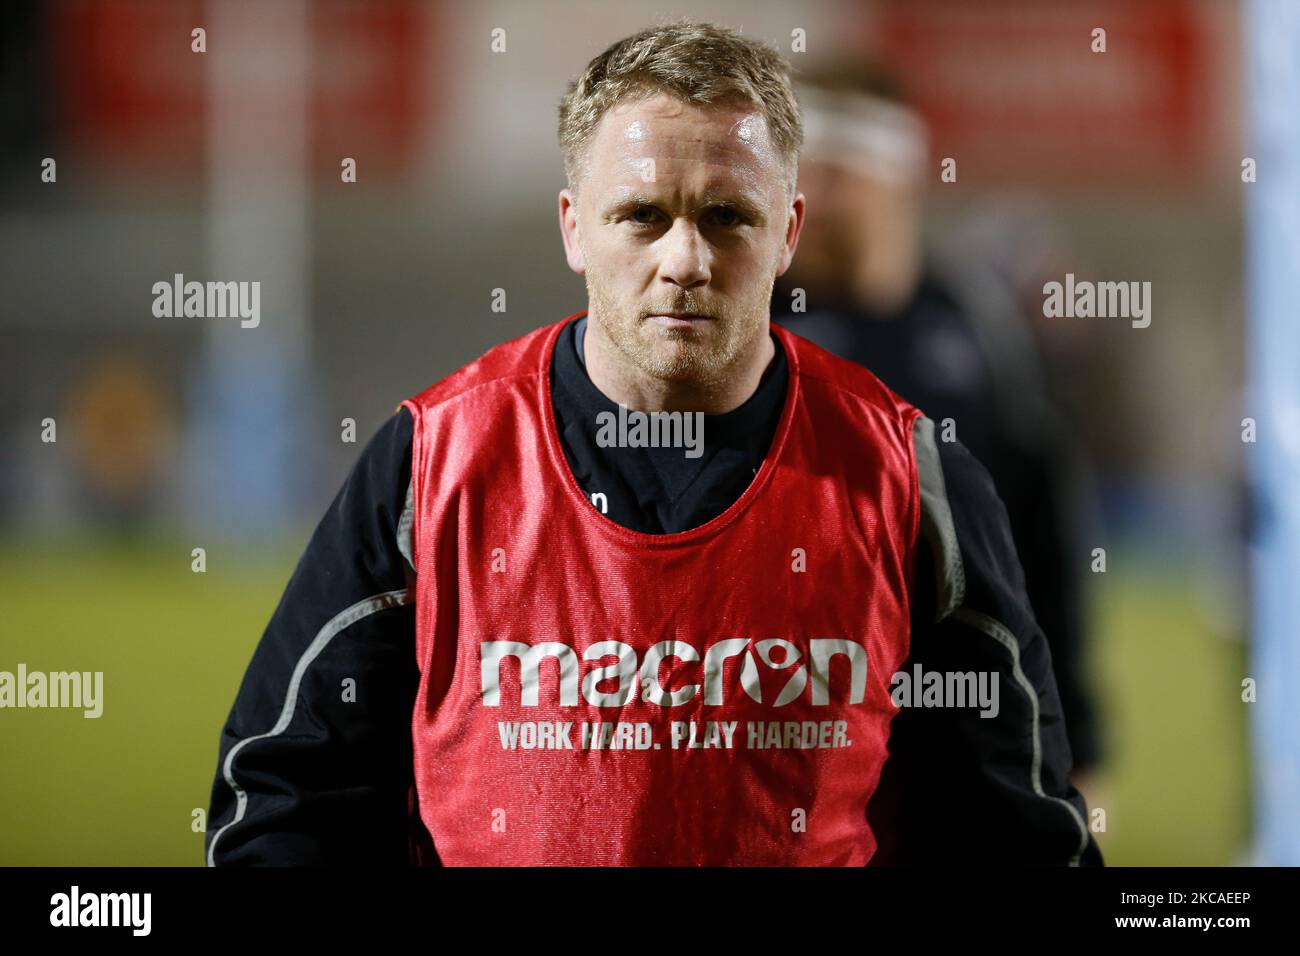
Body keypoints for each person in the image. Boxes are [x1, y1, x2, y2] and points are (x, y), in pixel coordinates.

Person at [206, 19, 1102, 866]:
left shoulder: (907, 474)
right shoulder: (433, 462)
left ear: (787, 230)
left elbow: (1014, 832)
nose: (684, 260)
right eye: (641, 216)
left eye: (726, 217)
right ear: (572, 228)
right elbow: (283, 794)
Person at [773, 66, 1105, 787]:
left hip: (958, 725)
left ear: (897, 175)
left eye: (831, 173)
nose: (808, 199)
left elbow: (1040, 537)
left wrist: (1078, 736)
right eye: (795, 173)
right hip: (793, 722)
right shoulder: (749, 328)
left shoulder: (984, 330)